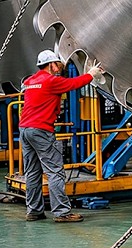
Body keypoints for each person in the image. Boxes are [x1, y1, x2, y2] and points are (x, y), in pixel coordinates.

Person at [19, 49, 101, 223]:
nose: (60, 67)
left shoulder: (30, 81)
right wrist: (91, 74)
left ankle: (33, 211)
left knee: (32, 172)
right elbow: (74, 84)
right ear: (51, 65)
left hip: (25, 130)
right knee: (55, 172)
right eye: (57, 64)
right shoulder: (51, 81)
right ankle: (62, 212)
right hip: (41, 130)